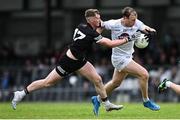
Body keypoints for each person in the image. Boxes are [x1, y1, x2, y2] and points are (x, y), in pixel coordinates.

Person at [11, 9, 140, 115]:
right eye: (97, 17)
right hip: (68, 62)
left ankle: (106, 104)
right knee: (47, 83)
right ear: (90, 20)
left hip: (80, 61)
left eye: (99, 16)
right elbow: (110, 44)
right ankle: (21, 93)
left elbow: (94, 33)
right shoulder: (90, 33)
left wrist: (101, 27)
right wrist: (128, 38)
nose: (99, 19)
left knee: (98, 79)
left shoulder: (82, 26)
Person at [91, 7, 160, 115]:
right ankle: (146, 101)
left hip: (128, 56)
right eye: (132, 20)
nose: (134, 22)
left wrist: (151, 30)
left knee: (115, 83)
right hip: (119, 58)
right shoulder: (114, 24)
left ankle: (97, 99)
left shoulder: (136, 22)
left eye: (135, 19)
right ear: (125, 18)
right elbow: (101, 25)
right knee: (144, 74)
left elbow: (144, 27)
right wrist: (97, 37)